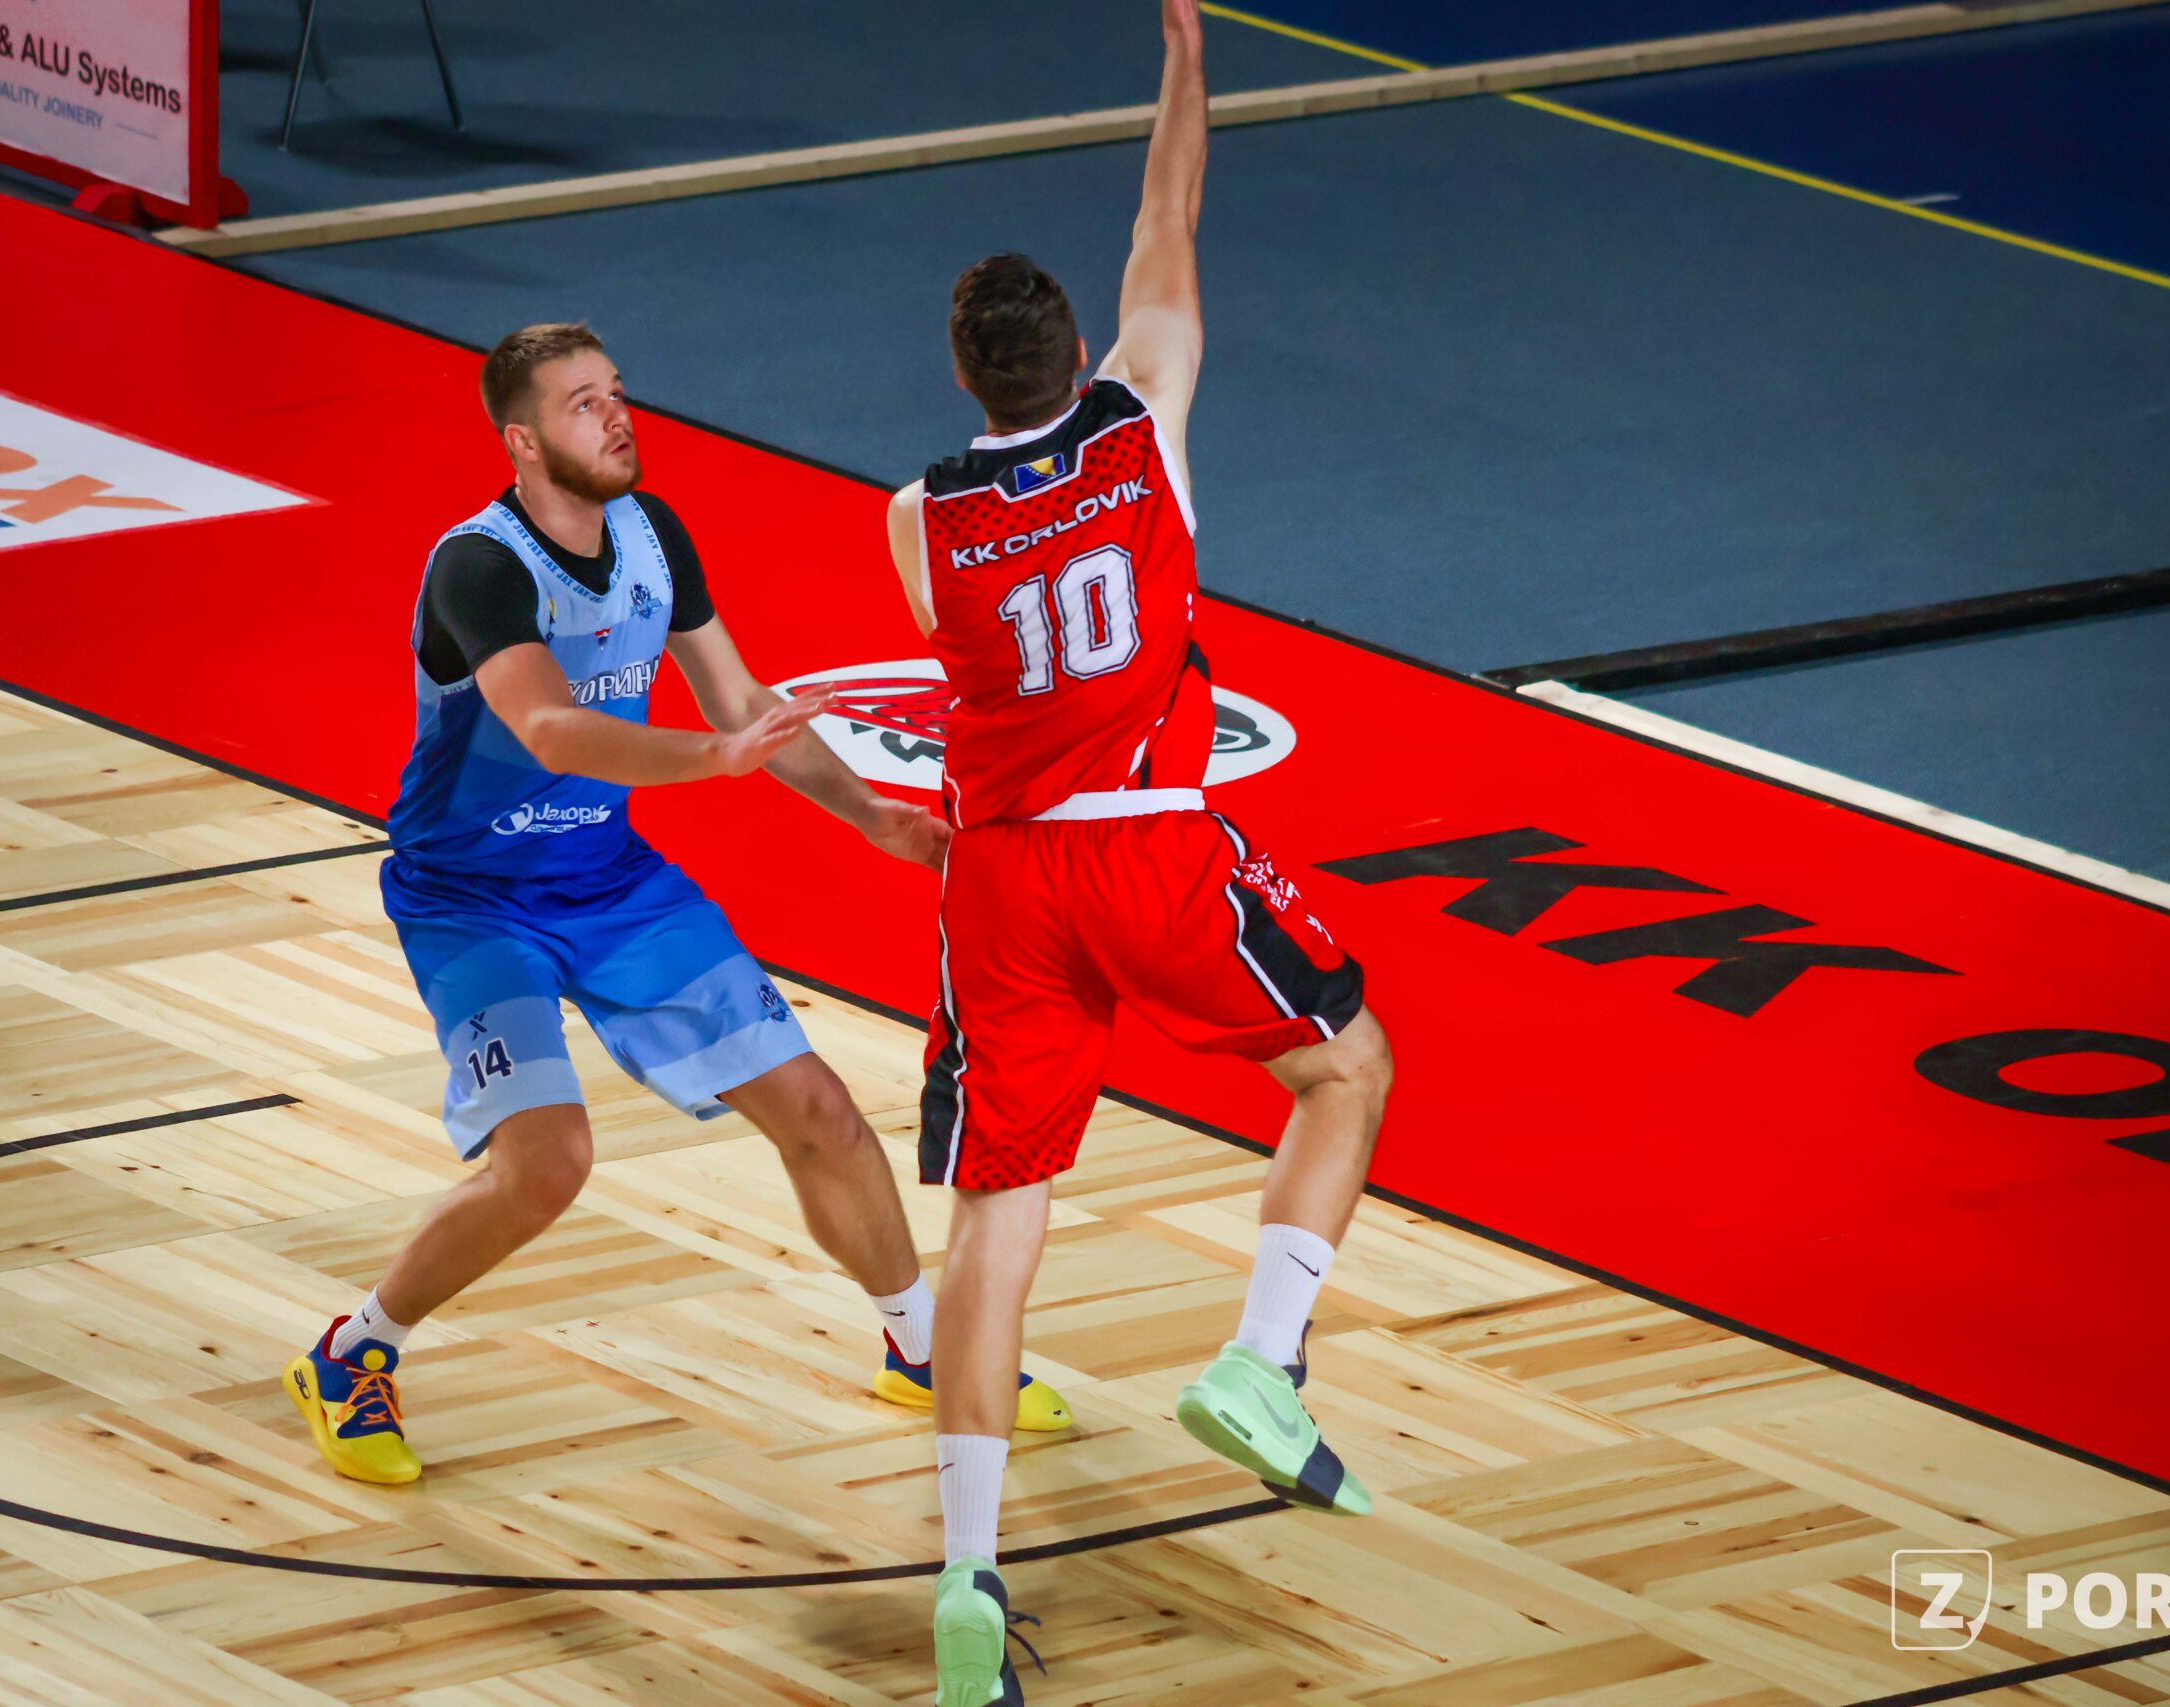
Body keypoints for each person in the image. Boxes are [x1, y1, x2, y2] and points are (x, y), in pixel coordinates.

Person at [285, 322, 1070, 1487]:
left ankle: (919, 1345)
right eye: (582, 404)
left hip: (610, 881)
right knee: (548, 1163)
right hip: (473, 901)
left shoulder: (654, 533)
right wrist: (713, 760)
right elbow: (551, 730)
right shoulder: (480, 568)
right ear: (521, 441)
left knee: (823, 1113)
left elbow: (742, 701)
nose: (616, 416)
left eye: (616, 392)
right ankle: (353, 1353)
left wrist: (871, 815)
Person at [882, 6, 1392, 1699]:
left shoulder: (918, 513)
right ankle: (1260, 1362)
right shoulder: (1142, 422)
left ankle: (968, 1574)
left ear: (965, 376)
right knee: (1346, 1069)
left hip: (1000, 880)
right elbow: (1166, 218)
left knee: (996, 1222)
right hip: (1147, 845)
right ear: (1081, 352)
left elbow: (968, 637)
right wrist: (1184, 62)